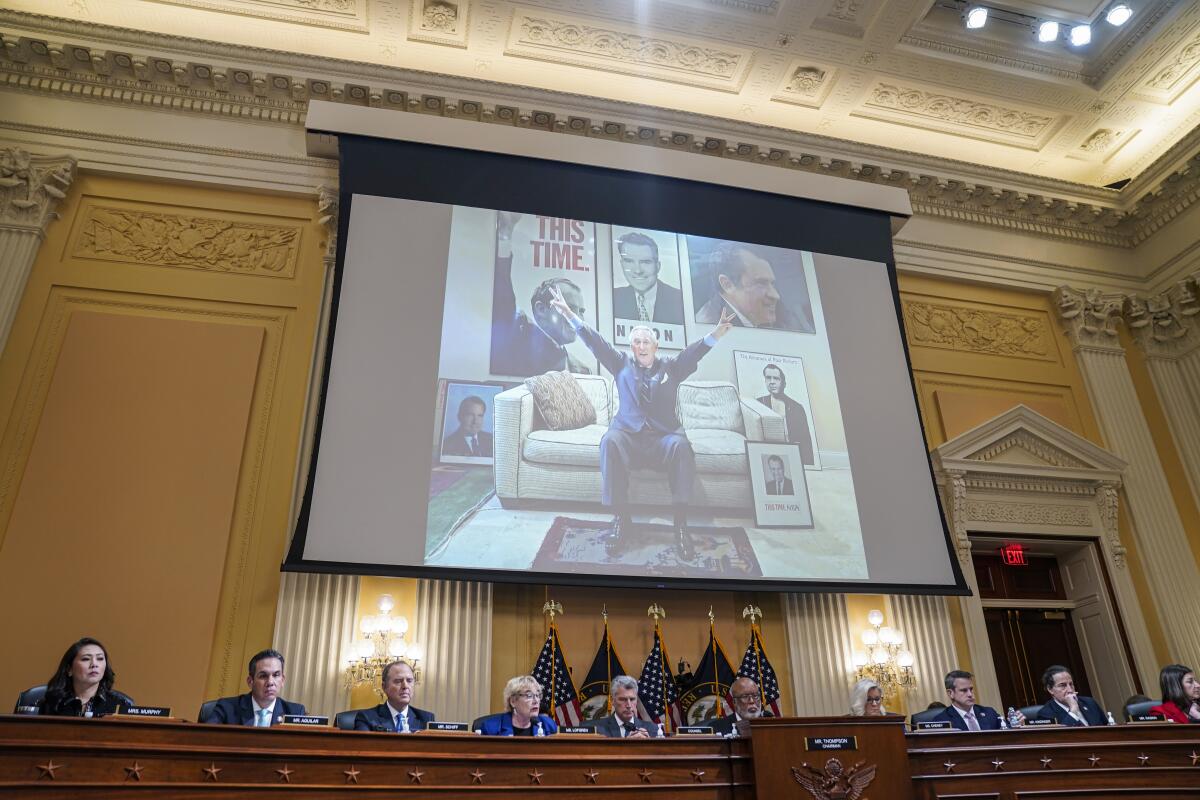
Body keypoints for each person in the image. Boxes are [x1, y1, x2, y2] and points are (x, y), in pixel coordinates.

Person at [549, 286, 734, 560]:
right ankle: (621, 519)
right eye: (637, 341)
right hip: (628, 438)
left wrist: (717, 333)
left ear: (656, 346)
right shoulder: (620, 363)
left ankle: (680, 524)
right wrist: (568, 314)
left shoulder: (671, 367)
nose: (641, 345)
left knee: (682, 446)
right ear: (632, 347)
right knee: (609, 440)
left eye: (646, 341)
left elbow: (695, 352)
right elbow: (594, 341)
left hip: (663, 438)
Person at [489, 211, 591, 377]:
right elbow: (503, 292)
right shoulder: (516, 331)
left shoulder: (583, 370)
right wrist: (505, 235)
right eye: (569, 308)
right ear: (541, 310)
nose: (577, 317)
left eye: (581, 312)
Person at [694, 244, 813, 332]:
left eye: (772, 284)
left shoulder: (783, 316)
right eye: (761, 283)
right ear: (727, 284)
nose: (776, 295)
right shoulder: (709, 327)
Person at [205, 648, 306, 726]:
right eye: (263, 676)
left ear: (282, 680)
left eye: (276, 675)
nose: (270, 682)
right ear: (250, 681)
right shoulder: (227, 708)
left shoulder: (295, 712)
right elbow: (206, 738)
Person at [39, 637, 131, 717]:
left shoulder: (120, 705)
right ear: (69, 669)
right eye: (86, 659)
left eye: (100, 659)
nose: (94, 664)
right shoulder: (51, 703)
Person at [611, 232, 685, 325]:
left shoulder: (679, 299)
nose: (637, 270)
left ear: (658, 266)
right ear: (622, 264)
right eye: (629, 261)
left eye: (645, 262)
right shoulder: (612, 298)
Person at [353, 660, 435, 732]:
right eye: (398, 681)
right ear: (384, 687)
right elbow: (364, 748)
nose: (405, 686)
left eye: (409, 681)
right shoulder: (366, 718)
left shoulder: (426, 719)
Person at [757, 364, 814, 465]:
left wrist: (807, 466)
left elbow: (805, 442)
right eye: (768, 378)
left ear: (783, 383)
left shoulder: (797, 408)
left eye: (776, 378)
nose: (772, 382)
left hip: (790, 454)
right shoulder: (759, 403)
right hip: (767, 454)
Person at [474, 675, 558, 736]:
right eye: (529, 695)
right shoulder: (490, 728)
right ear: (513, 701)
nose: (536, 701)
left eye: (537, 695)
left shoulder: (548, 725)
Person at [930, 670, 1005, 731]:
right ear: (950, 693)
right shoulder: (941, 721)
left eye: (971, 689)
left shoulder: (989, 713)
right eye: (964, 690)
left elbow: (1007, 733)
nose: (970, 694)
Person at [1036, 665, 1107, 726]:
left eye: (1071, 684)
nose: (1070, 690)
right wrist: (1073, 710)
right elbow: (1060, 737)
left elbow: (1107, 727)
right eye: (1062, 685)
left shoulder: (1089, 703)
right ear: (1050, 689)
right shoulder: (1045, 714)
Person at [592, 676, 659, 738]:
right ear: (612, 701)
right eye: (623, 699)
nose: (629, 705)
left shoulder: (653, 729)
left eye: (632, 699)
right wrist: (627, 745)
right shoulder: (596, 729)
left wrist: (648, 745)